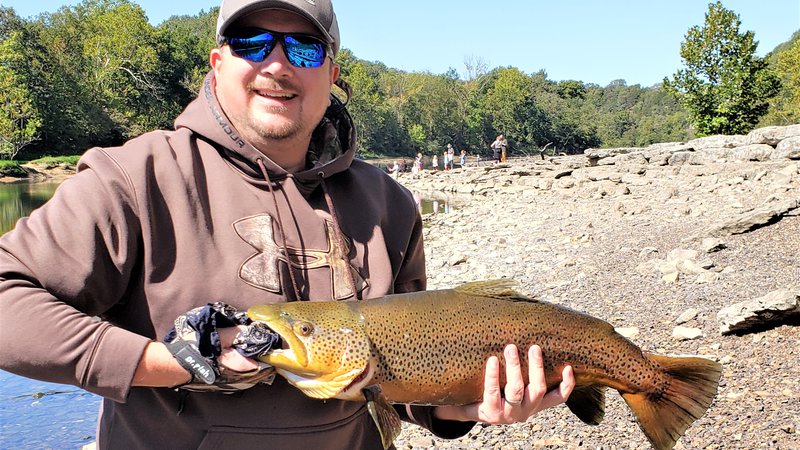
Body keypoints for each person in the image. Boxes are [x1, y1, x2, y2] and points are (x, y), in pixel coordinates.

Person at [0, 1, 574, 449]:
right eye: (252, 42)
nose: (277, 64)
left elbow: (402, 387)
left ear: (332, 71)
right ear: (218, 62)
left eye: (303, 47)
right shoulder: (134, 177)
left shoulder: (390, 205)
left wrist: (467, 404)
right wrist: (168, 365)